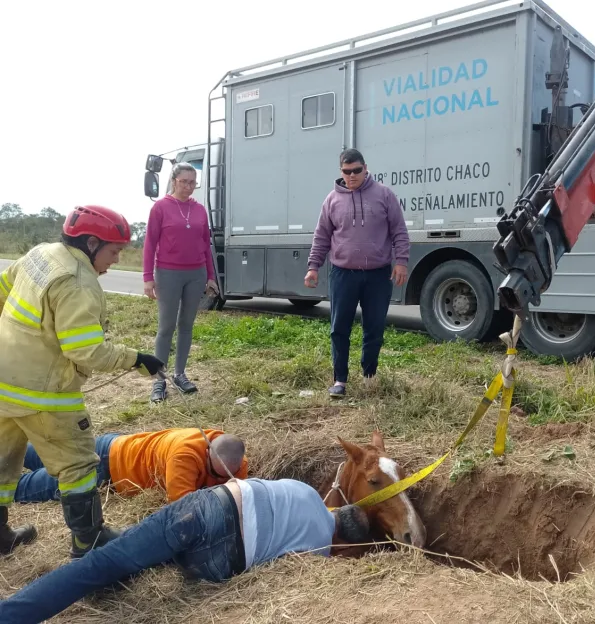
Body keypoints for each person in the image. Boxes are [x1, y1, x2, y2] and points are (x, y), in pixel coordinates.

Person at [0, 205, 165, 559]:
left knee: (1, 460)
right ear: (92, 243)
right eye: (114, 251)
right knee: (77, 466)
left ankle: (0, 535)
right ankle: (88, 543)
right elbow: (86, 351)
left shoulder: (40, 254)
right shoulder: (78, 282)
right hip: (43, 393)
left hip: (2, 381)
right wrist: (137, 359)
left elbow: (3, 288)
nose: (116, 259)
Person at [0, 478, 372, 624]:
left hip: (208, 510)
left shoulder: (307, 491)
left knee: (104, 562)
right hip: (218, 561)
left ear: (337, 510)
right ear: (345, 541)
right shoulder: (323, 551)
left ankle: (11, 615)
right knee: (136, 557)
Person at [304, 148, 410, 398]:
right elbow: (322, 236)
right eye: (346, 171)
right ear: (340, 171)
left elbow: (399, 231)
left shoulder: (384, 195)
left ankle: (369, 376)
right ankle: (340, 380)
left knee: (374, 327)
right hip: (343, 274)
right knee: (339, 328)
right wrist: (313, 267)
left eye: (356, 171)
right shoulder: (332, 200)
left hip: (377, 274)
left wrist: (401, 261)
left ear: (365, 168)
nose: (352, 176)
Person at [143, 161, 219, 403]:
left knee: (186, 325)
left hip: (195, 273)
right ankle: (159, 380)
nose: (188, 186)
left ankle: (180, 374)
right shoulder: (161, 208)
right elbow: (150, 244)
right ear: (174, 181)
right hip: (167, 273)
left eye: (192, 182)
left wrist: (210, 276)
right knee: (166, 327)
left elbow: (206, 245)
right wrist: (148, 278)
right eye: (184, 181)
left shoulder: (200, 210)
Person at [15, 428, 248, 504]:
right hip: (106, 465)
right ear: (207, 449)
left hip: (118, 446)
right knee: (25, 488)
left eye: (221, 476)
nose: (215, 478)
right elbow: (184, 505)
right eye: (210, 471)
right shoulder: (184, 456)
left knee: (46, 456)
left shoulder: (235, 460)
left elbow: (239, 493)